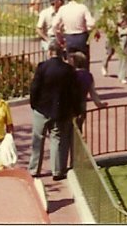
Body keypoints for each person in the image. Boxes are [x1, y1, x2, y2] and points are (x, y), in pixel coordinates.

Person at [28, 42, 81, 179]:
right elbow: (74, 92)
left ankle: (34, 169)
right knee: (56, 140)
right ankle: (57, 171)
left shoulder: (42, 67)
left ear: (50, 52)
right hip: (59, 111)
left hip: (42, 108)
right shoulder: (68, 70)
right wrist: (76, 109)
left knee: (38, 139)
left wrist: (34, 104)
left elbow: (34, 88)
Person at [53, 0, 98, 67]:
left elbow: (54, 24)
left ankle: (72, 76)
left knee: (71, 61)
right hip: (81, 37)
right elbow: (91, 23)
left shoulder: (63, 9)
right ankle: (84, 76)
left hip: (69, 37)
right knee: (84, 61)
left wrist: (59, 36)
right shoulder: (83, 8)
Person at [102, 9, 127, 84]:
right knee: (110, 52)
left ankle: (122, 76)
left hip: (123, 32)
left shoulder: (125, 6)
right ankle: (104, 64)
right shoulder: (109, 5)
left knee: (123, 54)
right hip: (112, 32)